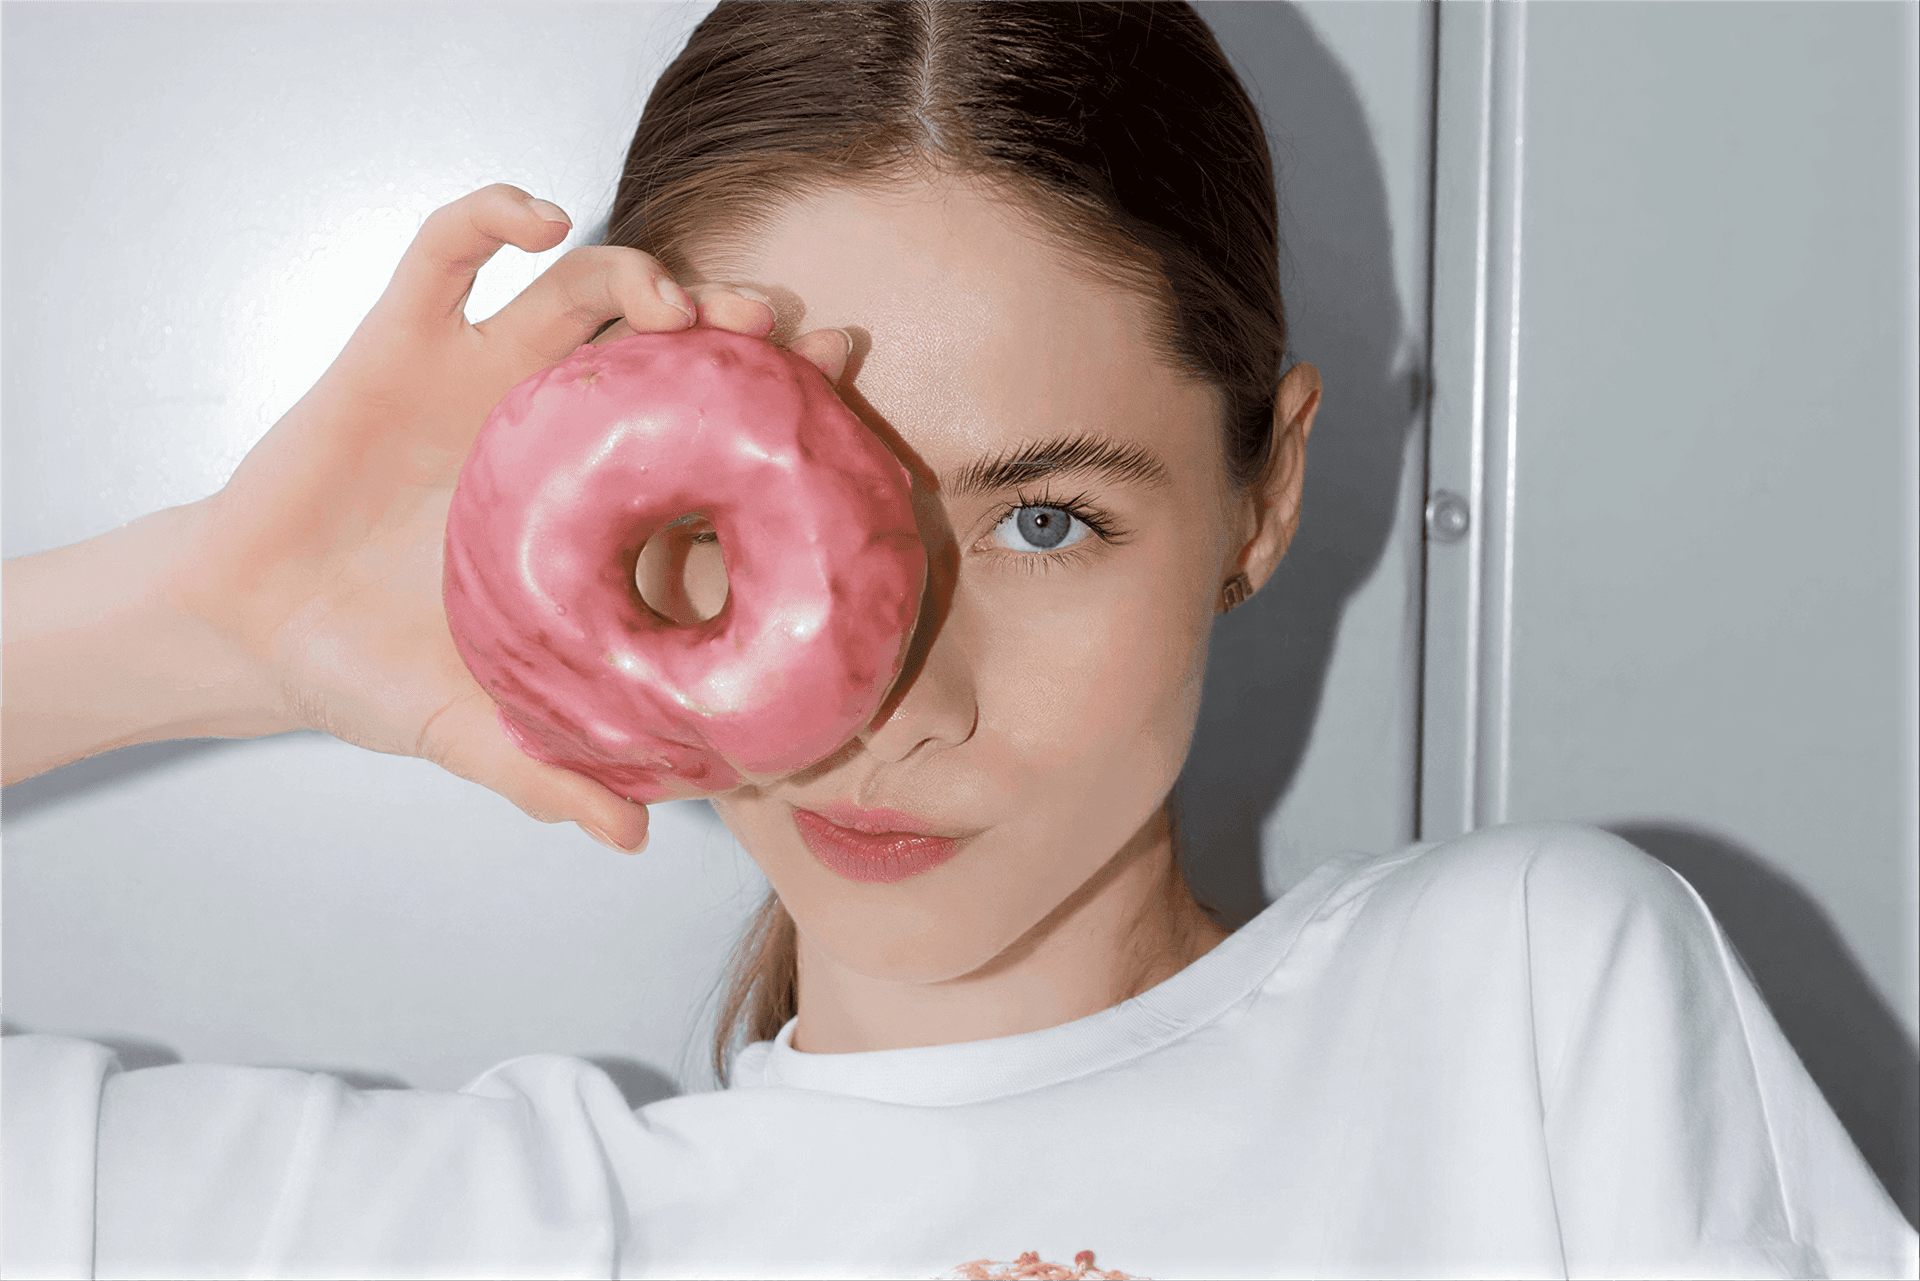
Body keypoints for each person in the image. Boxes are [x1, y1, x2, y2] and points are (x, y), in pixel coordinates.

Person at [2, 3, 1912, 1278]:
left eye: (1045, 520)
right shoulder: (481, 1231)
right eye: (749, 531)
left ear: (1263, 497)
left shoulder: (1522, 1010)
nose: (901, 705)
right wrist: (216, 623)